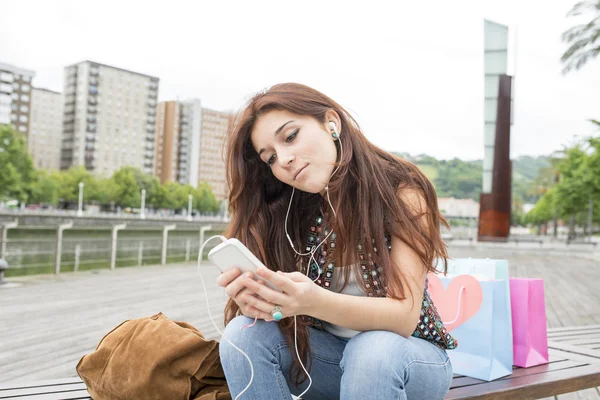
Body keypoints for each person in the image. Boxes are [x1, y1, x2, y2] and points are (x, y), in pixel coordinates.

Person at [216, 82, 457, 400]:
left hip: (409, 360)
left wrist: (310, 300)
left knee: (371, 350)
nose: (285, 159)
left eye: (290, 137)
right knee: (242, 335)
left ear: (331, 122)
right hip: (331, 359)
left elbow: (404, 315)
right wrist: (264, 302)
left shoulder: (401, 192)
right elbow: (283, 311)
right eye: (270, 157)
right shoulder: (291, 211)